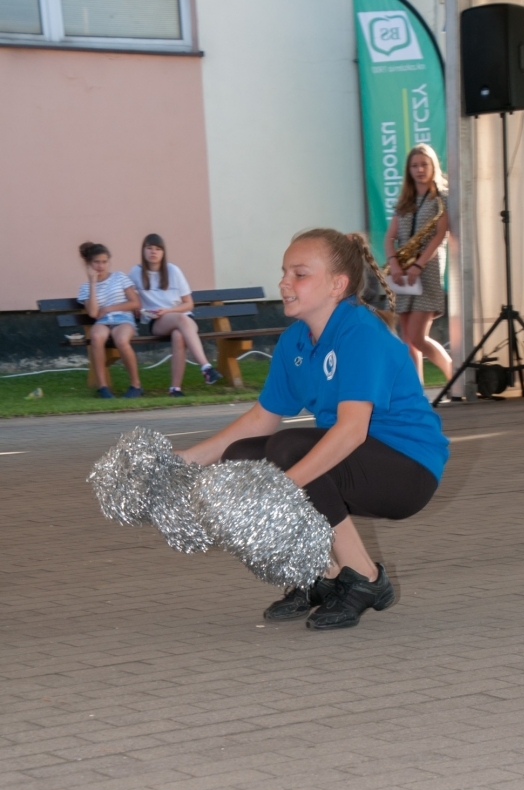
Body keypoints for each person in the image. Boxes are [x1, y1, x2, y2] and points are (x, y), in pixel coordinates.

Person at [177, 228, 449, 631]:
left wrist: (279, 491)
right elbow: (259, 420)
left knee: (289, 449)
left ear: (338, 285)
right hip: (355, 459)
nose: (284, 282)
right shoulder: (295, 342)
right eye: (284, 272)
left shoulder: (360, 332)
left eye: (299, 274)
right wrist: (183, 461)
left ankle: (364, 577)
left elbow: (351, 431)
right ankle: (319, 575)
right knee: (243, 456)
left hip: (408, 471)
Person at [384, 143, 453, 385]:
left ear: (434, 166)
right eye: (414, 166)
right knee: (407, 340)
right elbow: (389, 238)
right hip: (402, 272)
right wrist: (394, 263)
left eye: (424, 164)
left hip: (427, 271)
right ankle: (417, 392)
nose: (420, 170)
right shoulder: (405, 200)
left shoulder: (442, 198)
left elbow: (440, 235)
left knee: (417, 336)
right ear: (408, 170)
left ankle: (454, 376)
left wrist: (419, 265)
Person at [128, 234, 222, 396]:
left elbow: (188, 304)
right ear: (143, 251)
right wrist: (136, 304)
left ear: (163, 252)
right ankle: (206, 367)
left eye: (158, 249)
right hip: (158, 321)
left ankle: (175, 388)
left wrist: (168, 311)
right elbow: (128, 296)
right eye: (149, 248)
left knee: (179, 335)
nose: (153, 252)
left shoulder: (173, 271)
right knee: (181, 320)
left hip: (182, 317)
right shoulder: (136, 272)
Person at [77, 242, 142, 399]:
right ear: (89, 264)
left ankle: (136, 385)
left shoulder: (119, 277)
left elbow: (135, 303)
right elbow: (93, 313)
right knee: (96, 336)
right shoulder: (85, 287)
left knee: (121, 340)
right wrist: (93, 283)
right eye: (96, 262)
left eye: (104, 262)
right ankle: (102, 387)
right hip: (103, 321)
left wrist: (108, 308)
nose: (101, 266)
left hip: (123, 318)